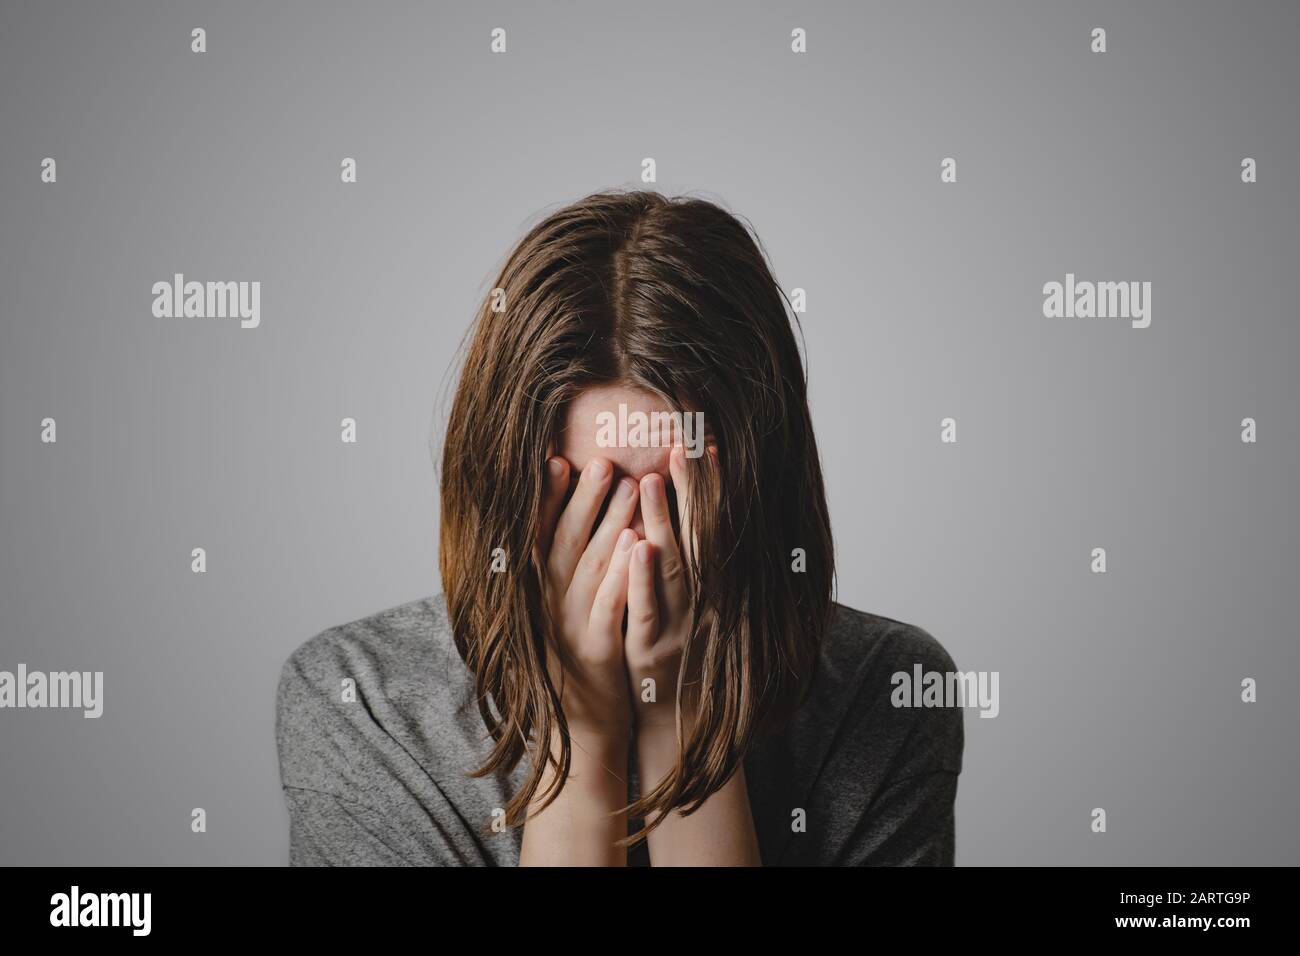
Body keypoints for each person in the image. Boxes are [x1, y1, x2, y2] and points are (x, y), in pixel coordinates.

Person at [275, 189, 964, 866]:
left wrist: (686, 721)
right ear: (507, 494)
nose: (637, 557)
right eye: (591, 502)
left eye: (673, 499)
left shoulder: (887, 692)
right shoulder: (362, 705)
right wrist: (583, 738)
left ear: (758, 493)